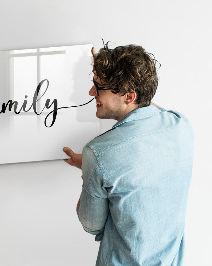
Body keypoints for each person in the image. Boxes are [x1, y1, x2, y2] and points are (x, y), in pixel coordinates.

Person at [63, 43, 194, 265]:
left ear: (129, 96)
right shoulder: (181, 125)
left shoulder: (98, 153)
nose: (91, 92)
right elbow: (147, 106)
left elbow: (91, 224)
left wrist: (90, 168)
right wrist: (109, 70)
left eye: (99, 87)